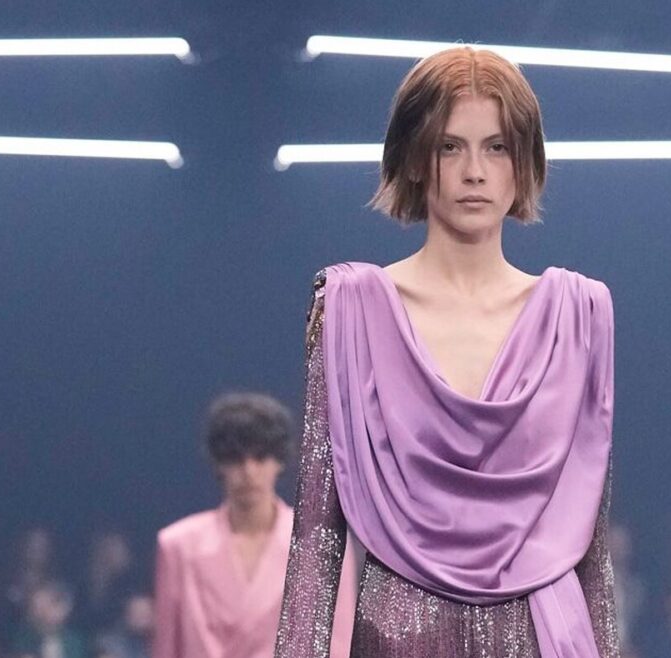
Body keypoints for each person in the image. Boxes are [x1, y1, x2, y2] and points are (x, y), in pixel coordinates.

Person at [274, 45, 619, 657]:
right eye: (449, 147)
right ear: (413, 157)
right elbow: (317, 537)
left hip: (543, 636)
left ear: (525, 162)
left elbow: (588, 543)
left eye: (498, 147)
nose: (475, 172)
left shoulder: (579, 315)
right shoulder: (351, 312)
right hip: (400, 638)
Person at [152, 392, 296, 658]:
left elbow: (338, 645)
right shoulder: (178, 547)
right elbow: (166, 649)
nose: (249, 472)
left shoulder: (318, 547)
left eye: (260, 457)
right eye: (236, 459)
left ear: (279, 461)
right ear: (219, 464)